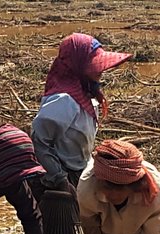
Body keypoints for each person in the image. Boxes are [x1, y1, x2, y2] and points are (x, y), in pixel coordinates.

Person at [31, 32, 132, 193]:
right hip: (57, 180)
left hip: (80, 172)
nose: (101, 71)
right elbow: (39, 143)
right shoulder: (64, 101)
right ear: (77, 66)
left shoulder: (87, 96)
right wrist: (59, 179)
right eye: (93, 65)